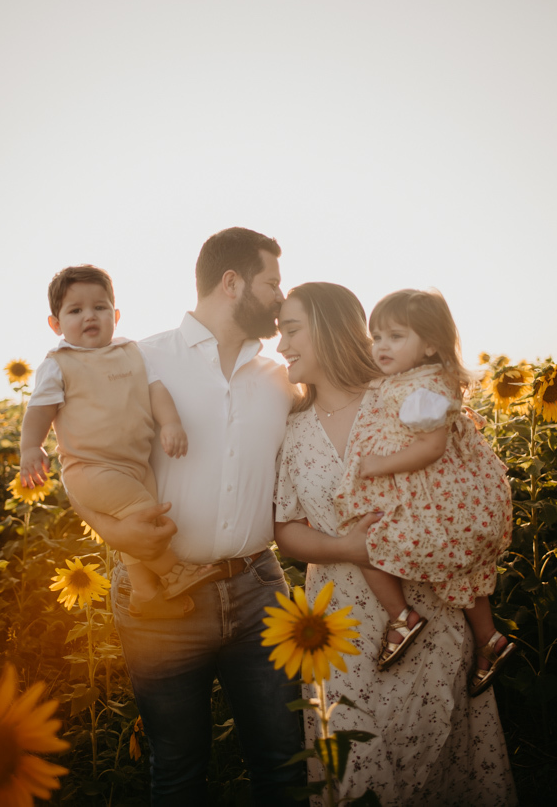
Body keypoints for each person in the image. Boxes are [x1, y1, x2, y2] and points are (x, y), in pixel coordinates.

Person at [69, 230, 307, 806]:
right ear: (232, 283)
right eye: (272, 282)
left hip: (258, 589)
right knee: (177, 773)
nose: (281, 296)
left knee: (286, 767)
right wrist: (112, 531)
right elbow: (80, 459)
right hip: (160, 603)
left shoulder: (281, 377)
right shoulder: (140, 359)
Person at [275, 282, 517, 806]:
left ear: (329, 329)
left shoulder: (404, 398)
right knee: (354, 766)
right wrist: (349, 549)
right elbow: (284, 528)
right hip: (337, 625)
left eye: (291, 330)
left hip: (427, 609)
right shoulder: (291, 430)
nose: (281, 345)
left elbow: (468, 481)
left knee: (435, 759)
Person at [333, 289, 515, 694]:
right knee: (465, 573)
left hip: (433, 499)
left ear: (431, 344)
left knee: (367, 541)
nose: (382, 346)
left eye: (396, 336)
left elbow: (430, 448)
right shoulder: (416, 381)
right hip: (451, 500)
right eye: (377, 337)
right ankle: (490, 640)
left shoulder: (424, 392)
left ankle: (402, 617)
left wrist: (377, 465)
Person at [20, 264, 219, 618]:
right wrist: (30, 447)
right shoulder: (59, 364)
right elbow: (39, 409)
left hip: (136, 464)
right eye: (75, 310)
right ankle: (173, 571)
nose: (89, 316)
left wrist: (171, 423)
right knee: (143, 515)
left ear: (116, 315)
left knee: (137, 525)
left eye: (100, 307)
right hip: (90, 469)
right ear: (55, 324)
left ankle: (145, 593)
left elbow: (156, 391)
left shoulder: (132, 352)